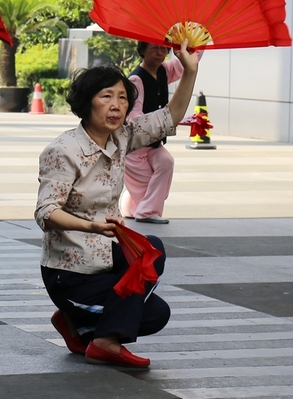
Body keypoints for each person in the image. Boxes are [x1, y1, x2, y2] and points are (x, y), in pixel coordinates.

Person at [36, 41, 198, 369]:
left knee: (152, 257)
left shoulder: (122, 136)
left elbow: (170, 117)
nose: (116, 105)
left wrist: (190, 70)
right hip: (70, 272)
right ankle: (101, 340)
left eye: (122, 98)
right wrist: (91, 226)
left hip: (106, 254)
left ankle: (75, 323)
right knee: (144, 312)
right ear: (87, 103)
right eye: (106, 96)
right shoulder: (63, 150)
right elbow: (46, 212)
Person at [120, 42, 201, 224]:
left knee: (166, 162)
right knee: (148, 188)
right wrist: (162, 121)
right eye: (154, 48)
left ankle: (131, 205)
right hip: (135, 147)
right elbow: (133, 116)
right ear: (142, 51)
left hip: (154, 143)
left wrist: (196, 44)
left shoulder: (164, 70)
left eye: (163, 48)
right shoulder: (136, 80)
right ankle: (146, 212)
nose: (160, 52)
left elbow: (185, 65)